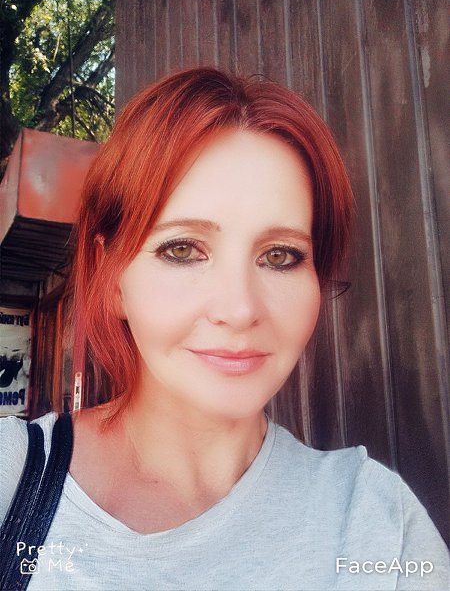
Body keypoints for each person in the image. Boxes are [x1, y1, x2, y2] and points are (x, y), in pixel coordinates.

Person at [0, 67, 448, 590]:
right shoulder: (12, 478)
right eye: (182, 250)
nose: (239, 310)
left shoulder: (378, 527)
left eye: (280, 256)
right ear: (112, 276)